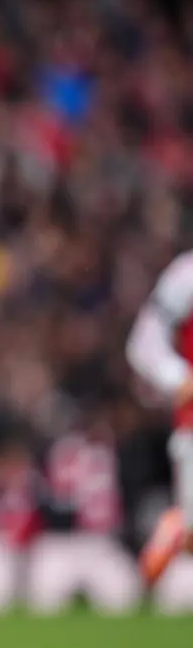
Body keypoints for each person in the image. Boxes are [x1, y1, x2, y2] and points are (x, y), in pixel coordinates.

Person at [126, 250, 193, 586]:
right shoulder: (187, 274)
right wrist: (179, 378)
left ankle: (181, 528)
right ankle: (183, 528)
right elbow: (143, 342)